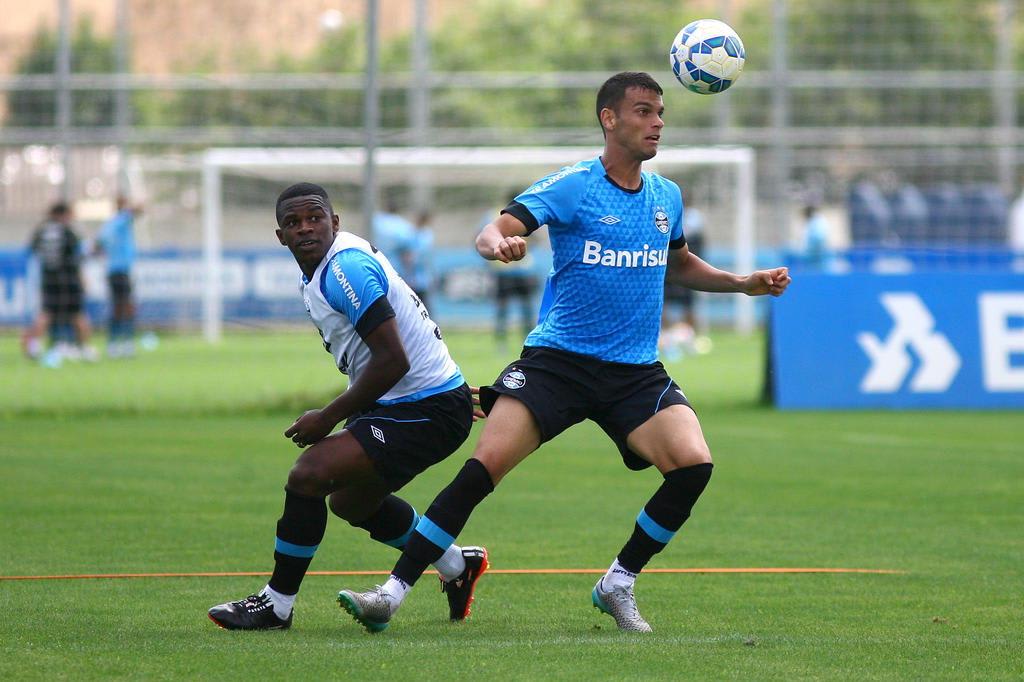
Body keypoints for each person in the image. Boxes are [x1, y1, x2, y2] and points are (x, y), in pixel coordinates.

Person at [336, 72, 791, 634]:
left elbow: (680, 264)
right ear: (610, 119)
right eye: (644, 112)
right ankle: (391, 593)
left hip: (633, 372)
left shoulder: (666, 196)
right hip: (557, 364)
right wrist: (497, 244)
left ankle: (618, 582)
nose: (658, 123)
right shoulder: (575, 185)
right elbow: (492, 230)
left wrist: (743, 282)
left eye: (660, 113)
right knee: (483, 469)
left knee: (693, 464)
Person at [207, 183, 487, 631]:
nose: (306, 228)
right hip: (412, 399)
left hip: (423, 406)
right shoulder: (322, 270)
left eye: (315, 218)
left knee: (309, 474)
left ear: (335, 223)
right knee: (352, 502)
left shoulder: (345, 269)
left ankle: (276, 604)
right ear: (280, 236)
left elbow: (394, 358)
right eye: (294, 223)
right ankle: (457, 565)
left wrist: (327, 417)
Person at [23, 202, 96, 363]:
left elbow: (32, 250)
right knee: (77, 314)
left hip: (49, 279)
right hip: (69, 280)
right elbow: (80, 254)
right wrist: (83, 278)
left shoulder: (41, 230)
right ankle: (84, 348)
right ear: (64, 214)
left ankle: (34, 347)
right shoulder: (68, 230)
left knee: (46, 313)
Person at [489, 190, 539, 348]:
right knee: (518, 308)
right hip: (511, 271)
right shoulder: (522, 214)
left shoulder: (496, 215)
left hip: (510, 270)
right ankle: (519, 340)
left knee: (512, 308)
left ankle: (504, 342)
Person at [95, 196, 140, 358]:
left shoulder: (107, 226)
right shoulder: (122, 221)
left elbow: (96, 246)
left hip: (112, 271)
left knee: (117, 307)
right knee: (126, 307)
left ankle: (113, 344)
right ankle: (125, 343)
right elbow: (138, 210)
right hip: (121, 271)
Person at [660, 205, 706, 358]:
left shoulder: (694, 217)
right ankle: (666, 340)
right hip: (665, 268)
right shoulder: (662, 210)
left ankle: (690, 339)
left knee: (688, 305)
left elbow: (691, 241)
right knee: (662, 304)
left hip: (684, 267)